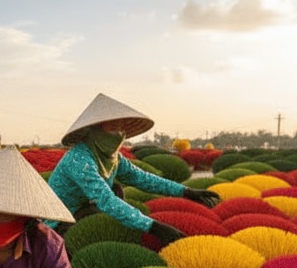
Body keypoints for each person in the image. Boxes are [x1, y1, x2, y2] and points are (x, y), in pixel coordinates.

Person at [46, 93, 219, 246]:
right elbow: (105, 200)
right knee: (112, 202)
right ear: (93, 131)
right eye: (113, 128)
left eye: (122, 128)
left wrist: (186, 191)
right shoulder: (79, 159)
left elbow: (144, 179)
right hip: (58, 224)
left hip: (84, 212)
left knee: (117, 191)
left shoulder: (113, 158)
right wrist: (154, 227)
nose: (119, 134)